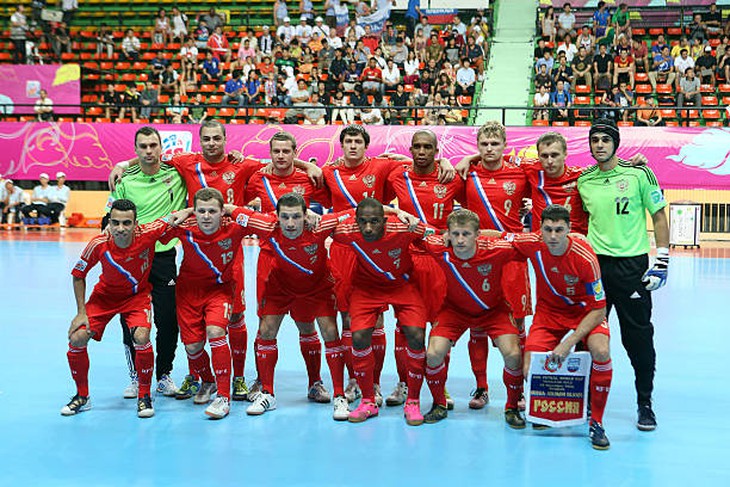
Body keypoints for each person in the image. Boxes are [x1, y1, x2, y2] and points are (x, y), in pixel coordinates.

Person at [577, 118, 669, 432]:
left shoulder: (639, 173)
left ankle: (645, 403)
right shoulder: (584, 180)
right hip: (595, 268)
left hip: (632, 268)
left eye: (605, 139)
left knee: (638, 339)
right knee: (587, 339)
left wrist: (663, 260)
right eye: (594, 139)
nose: (599, 144)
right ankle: (586, 403)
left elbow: (658, 215)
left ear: (616, 143)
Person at [505, 204, 613, 450]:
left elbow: (599, 310)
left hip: (585, 312)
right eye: (548, 229)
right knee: (528, 367)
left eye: (559, 230)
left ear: (569, 229)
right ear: (539, 229)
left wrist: (568, 343)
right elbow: (498, 236)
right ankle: (542, 408)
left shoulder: (586, 257)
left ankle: (596, 422)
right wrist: (453, 234)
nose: (553, 236)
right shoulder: (533, 242)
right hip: (549, 314)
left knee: (601, 351)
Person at [159, 188, 272, 419]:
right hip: (188, 293)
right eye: (201, 211)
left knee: (216, 331)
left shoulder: (235, 227)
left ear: (223, 212)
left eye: (213, 211)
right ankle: (208, 381)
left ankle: (223, 397)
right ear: (194, 212)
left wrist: (233, 209)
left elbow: (267, 222)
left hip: (219, 291)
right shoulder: (183, 226)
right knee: (193, 348)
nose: (207, 216)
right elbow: (151, 236)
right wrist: (178, 215)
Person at [62, 199, 175, 418]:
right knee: (76, 338)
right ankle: (82, 396)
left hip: (137, 297)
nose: (120, 228)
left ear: (136, 224)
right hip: (105, 298)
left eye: (126, 223)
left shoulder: (148, 234)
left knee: (142, 336)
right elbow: (78, 275)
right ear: (109, 223)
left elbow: (176, 217)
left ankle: (144, 395)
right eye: (115, 223)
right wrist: (81, 312)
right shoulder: (98, 244)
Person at [419, 209, 525, 427]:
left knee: (514, 355)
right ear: (447, 234)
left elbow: (532, 245)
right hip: (454, 311)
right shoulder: (438, 247)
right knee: (433, 354)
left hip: (494, 310)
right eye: (455, 234)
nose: (459, 240)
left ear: (478, 235)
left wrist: (502, 234)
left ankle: (512, 407)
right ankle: (439, 404)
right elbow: (415, 233)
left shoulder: (497, 249)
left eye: (466, 234)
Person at [106, 127, 187, 399]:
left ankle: (164, 374)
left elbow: (208, 159)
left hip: (164, 256)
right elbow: (111, 218)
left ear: (161, 147)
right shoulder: (125, 180)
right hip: (132, 260)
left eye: (153, 145)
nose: (149, 151)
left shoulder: (176, 173)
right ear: (136, 149)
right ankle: (135, 376)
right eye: (143, 146)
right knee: (131, 320)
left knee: (168, 319)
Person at [385, 130, 464, 407]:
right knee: (404, 326)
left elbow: (471, 211)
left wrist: (451, 164)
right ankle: (405, 384)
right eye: (416, 146)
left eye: (427, 147)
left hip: (441, 263)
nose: (421, 152)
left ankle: (439, 388)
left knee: (441, 325)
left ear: (436, 151)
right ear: (410, 149)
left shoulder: (451, 178)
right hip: (406, 260)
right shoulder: (396, 174)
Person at [332, 198, 427, 425]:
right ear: (355, 221)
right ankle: (368, 401)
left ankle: (413, 400)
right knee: (358, 336)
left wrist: (402, 213)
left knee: (416, 334)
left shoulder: (403, 226)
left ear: (385, 221)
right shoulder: (346, 231)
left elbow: (430, 232)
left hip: (402, 285)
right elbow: (322, 224)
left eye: (374, 222)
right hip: (366, 288)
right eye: (362, 222)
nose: (368, 228)